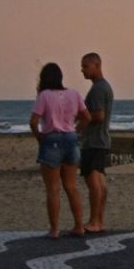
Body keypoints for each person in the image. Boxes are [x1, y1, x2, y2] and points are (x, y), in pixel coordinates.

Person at [29, 62, 91, 239]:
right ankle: (79, 225)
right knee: (71, 186)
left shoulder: (44, 95)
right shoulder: (74, 93)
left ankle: (54, 229)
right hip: (71, 139)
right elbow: (86, 117)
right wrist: (75, 130)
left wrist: (39, 137)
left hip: (52, 139)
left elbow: (33, 121)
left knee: (53, 189)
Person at [80, 52, 114, 234]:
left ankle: (94, 221)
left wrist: (79, 125)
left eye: (86, 66)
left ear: (96, 65)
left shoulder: (98, 89)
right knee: (100, 181)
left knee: (93, 181)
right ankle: (99, 220)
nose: (82, 70)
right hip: (101, 140)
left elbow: (98, 115)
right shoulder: (102, 87)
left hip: (94, 141)